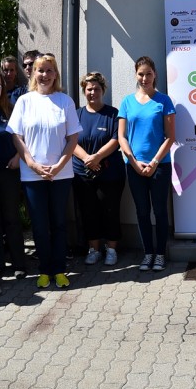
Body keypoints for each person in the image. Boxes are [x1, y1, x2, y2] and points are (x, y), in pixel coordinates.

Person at [9, 54, 81, 288]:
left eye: (49, 70)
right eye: (40, 70)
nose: (45, 75)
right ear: (34, 73)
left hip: (61, 174)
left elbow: (73, 138)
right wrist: (31, 163)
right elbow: (16, 137)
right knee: (39, 226)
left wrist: (59, 166)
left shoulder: (65, 101)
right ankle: (44, 270)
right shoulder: (24, 101)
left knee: (58, 223)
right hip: (32, 175)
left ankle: (59, 270)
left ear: (55, 74)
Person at [118, 56, 175, 272]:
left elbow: (170, 137)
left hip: (159, 166)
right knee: (142, 212)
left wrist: (154, 162)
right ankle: (148, 253)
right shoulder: (127, 102)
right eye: (141, 74)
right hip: (134, 167)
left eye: (148, 74)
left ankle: (160, 254)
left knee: (159, 211)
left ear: (155, 74)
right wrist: (133, 162)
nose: (144, 78)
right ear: (135, 75)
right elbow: (122, 136)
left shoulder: (164, 101)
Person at [73, 71, 124, 268]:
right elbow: (71, 141)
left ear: (103, 90)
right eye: (89, 89)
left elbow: (116, 139)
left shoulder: (113, 114)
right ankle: (93, 250)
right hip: (82, 172)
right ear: (84, 91)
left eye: (96, 89)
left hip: (110, 173)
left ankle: (111, 250)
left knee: (111, 211)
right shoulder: (77, 114)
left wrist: (97, 157)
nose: (92, 92)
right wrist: (87, 158)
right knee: (88, 212)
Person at [0, 69, 27, 279]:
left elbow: (23, 136)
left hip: (9, 172)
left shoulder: (11, 110)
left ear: (3, 87)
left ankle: (19, 263)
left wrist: (18, 157)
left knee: (11, 218)